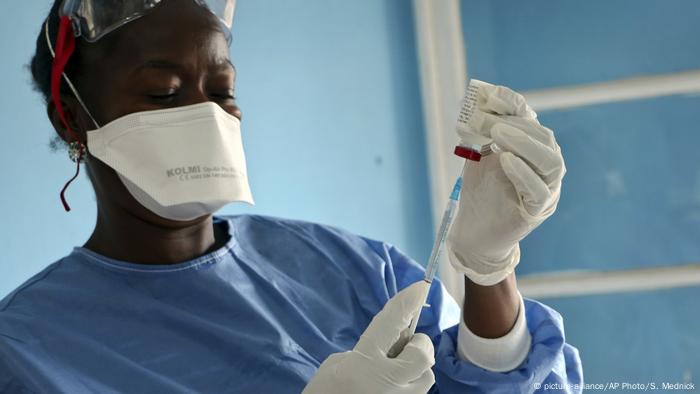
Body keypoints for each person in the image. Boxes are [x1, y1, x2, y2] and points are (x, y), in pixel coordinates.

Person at [0, 0, 582, 392]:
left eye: (222, 91)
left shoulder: (354, 269)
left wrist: (489, 271)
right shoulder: (27, 350)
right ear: (72, 118)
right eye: (163, 92)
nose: (205, 115)